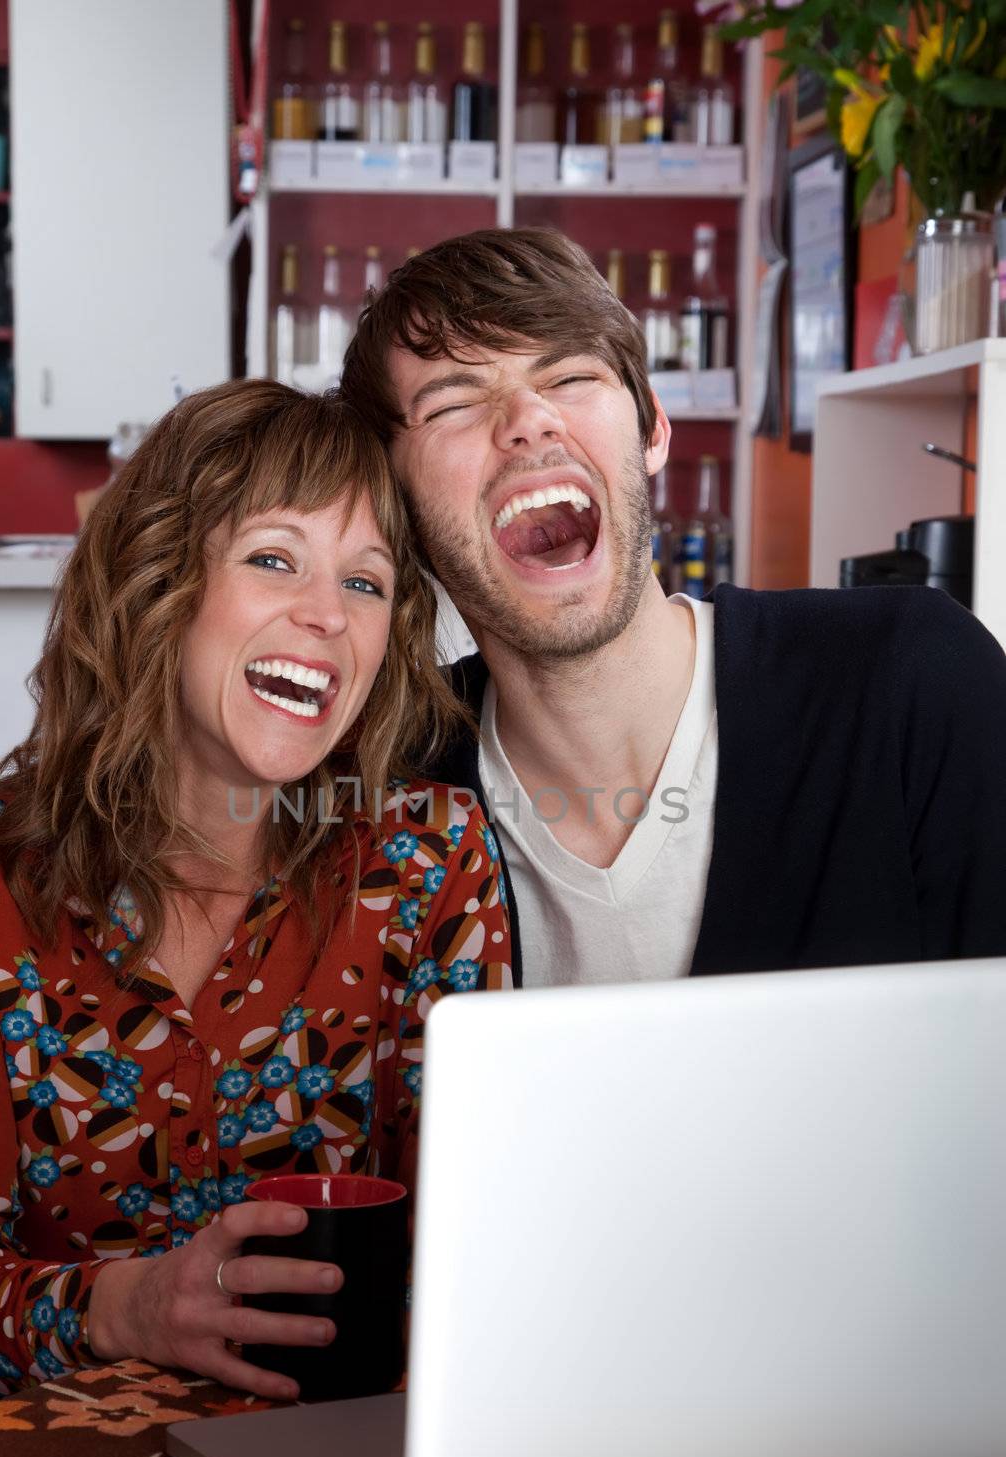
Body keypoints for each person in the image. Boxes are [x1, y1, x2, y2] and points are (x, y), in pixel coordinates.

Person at [0, 379, 510, 1452]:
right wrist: (129, 1307)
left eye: (365, 582)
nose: (326, 614)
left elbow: (478, 1240)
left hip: (347, 1456)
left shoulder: (427, 861)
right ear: (160, 581)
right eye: (273, 558)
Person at [338, 228, 1006, 985]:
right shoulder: (386, 784)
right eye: (455, 402)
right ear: (397, 505)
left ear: (652, 428)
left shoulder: (910, 683)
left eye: (567, 378)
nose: (527, 419)